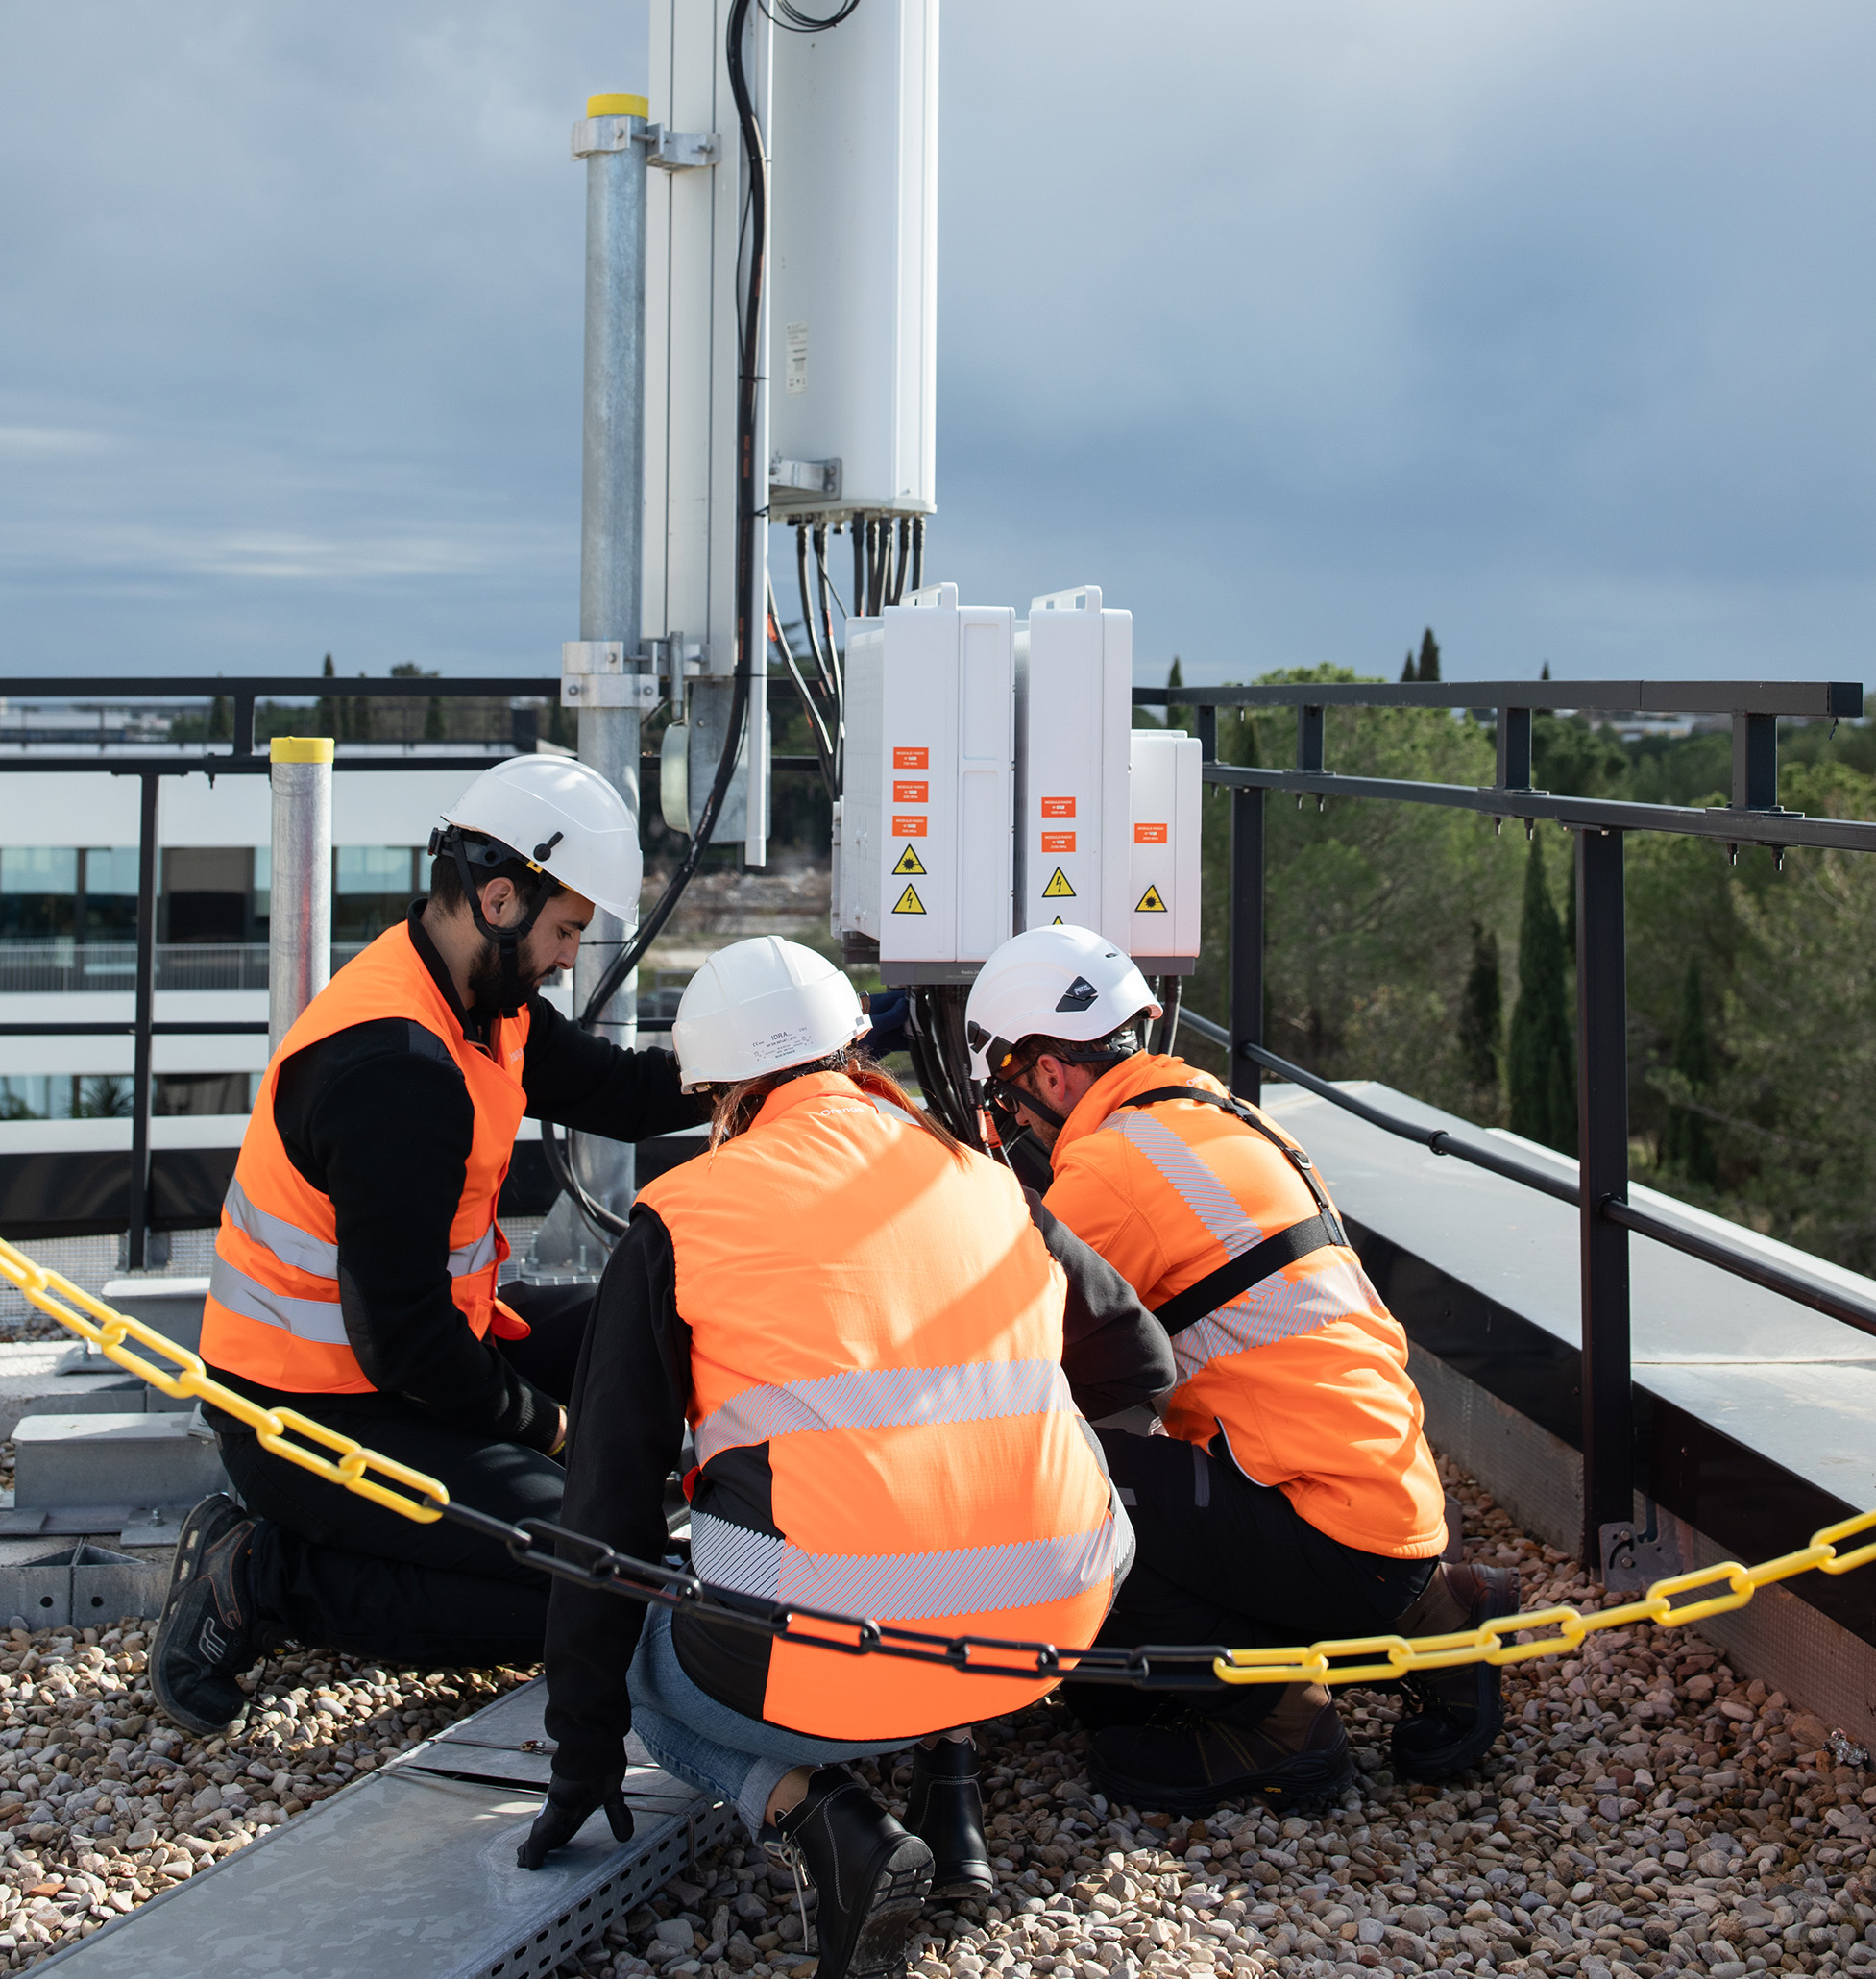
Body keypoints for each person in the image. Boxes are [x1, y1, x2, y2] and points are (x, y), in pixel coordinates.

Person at [522, 937, 1175, 1979]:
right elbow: (1139, 1361)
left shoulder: (683, 1216)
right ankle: (950, 1791)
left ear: (720, 1094)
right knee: (953, 1492)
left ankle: (824, 1821)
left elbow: (607, 1512)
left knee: (642, 1643)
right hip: (1048, 1632)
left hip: (818, 1669)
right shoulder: (983, 1177)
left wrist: (584, 1746)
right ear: (850, 1056)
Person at [149, 755, 709, 1735]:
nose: (570, 957)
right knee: (589, 1583)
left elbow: (618, 1092)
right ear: (499, 898)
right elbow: (403, 1340)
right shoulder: (392, 1072)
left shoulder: (474, 997)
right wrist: (550, 1429)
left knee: (661, 1315)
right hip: (312, 1409)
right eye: (566, 929)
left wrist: (794, 1058)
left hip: (425, 1351)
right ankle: (268, 1574)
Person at [963, 925, 1520, 1816]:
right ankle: (1439, 1612)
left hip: (1332, 1539)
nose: (1016, 1122)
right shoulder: (1221, 1119)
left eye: (1013, 1100)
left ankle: (1278, 1725)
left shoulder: (1107, 1171)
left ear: (1051, 1073)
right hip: (1389, 1510)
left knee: (1059, 1480)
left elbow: (1002, 1359)